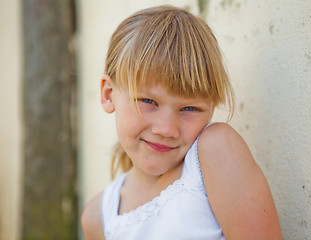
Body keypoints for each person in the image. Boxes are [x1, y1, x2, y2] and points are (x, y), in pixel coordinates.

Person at [81, 5, 282, 240]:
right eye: (148, 101)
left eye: (189, 108)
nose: (166, 129)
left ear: (211, 108)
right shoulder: (99, 218)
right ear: (108, 94)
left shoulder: (216, 152)